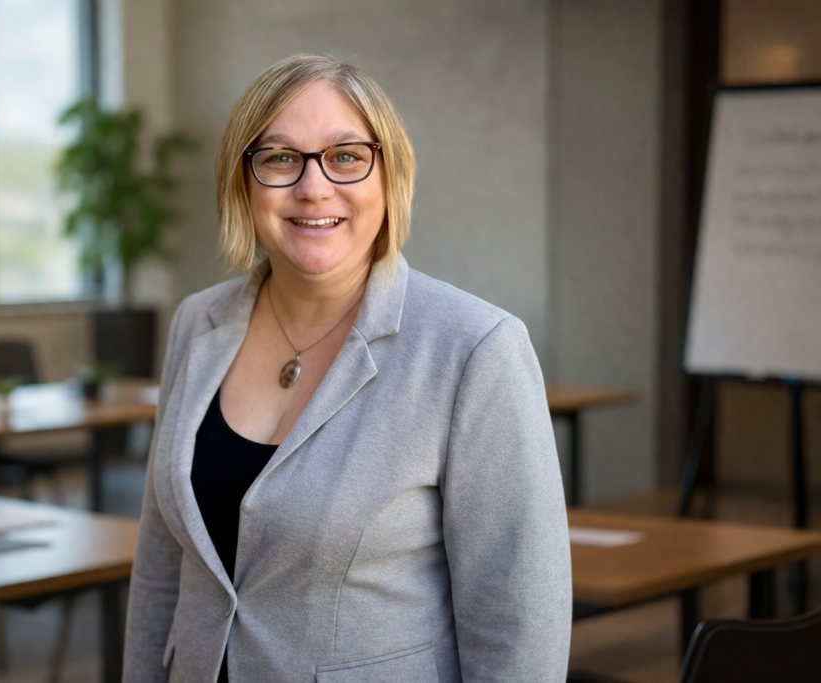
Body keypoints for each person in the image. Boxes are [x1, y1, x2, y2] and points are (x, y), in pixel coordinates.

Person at [123, 54, 571, 683]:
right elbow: (162, 565)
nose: (313, 187)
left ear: (389, 176)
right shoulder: (198, 323)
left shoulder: (475, 348)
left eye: (346, 155)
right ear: (241, 182)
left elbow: (519, 623)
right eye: (280, 158)